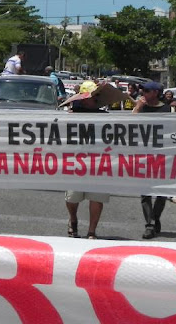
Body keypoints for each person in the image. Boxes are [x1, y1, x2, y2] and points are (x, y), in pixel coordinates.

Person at [64, 80, 110, 239]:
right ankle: (73, 219)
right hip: (76, 161)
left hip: (98, 162)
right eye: (92, 96)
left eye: (96, 95)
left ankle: (92, 231)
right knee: (72, 197)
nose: (95, 98)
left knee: (97, 197)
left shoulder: (105, 116)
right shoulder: (72, 114)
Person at [132, 81, 171, 239]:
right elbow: (130, 125)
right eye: (143, 91)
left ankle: (155, 217)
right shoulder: (141, 107)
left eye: (147, 91)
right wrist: (137, 108)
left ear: (155, 92)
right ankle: (149, 224)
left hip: (162, 155)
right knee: (145, 192)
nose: (144, 93)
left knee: (162, 192)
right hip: (144, 154)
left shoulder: (167, 109)